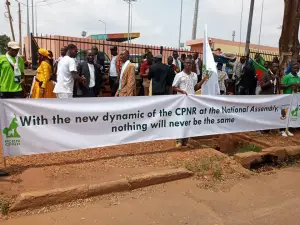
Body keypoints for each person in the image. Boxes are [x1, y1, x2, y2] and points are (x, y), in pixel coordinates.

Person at [172, 57, 209, 147]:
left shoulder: (194, 75)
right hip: (181, 101)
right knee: (181, 119)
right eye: (187, 63)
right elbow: (173, 87)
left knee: (189, 120)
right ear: (184, 64)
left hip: (191, 101)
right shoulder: (179, 75)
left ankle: (186, 140)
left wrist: (204, 80)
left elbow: (195, 87)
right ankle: (178, 140)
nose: (189, 65)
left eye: (190, 63)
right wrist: (182, 91)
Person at [281, 63, 300, 137]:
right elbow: (281, 86)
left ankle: (288, 129)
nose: (296, 70)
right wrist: (291, 85)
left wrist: (298, 86)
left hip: (295, 98)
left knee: (291, 113)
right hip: (287, 97)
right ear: (291, 69)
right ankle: (282, 129)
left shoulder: (298, 77)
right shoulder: (287, 77)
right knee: (285, 113)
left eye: (297, 68)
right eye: (294, 68)